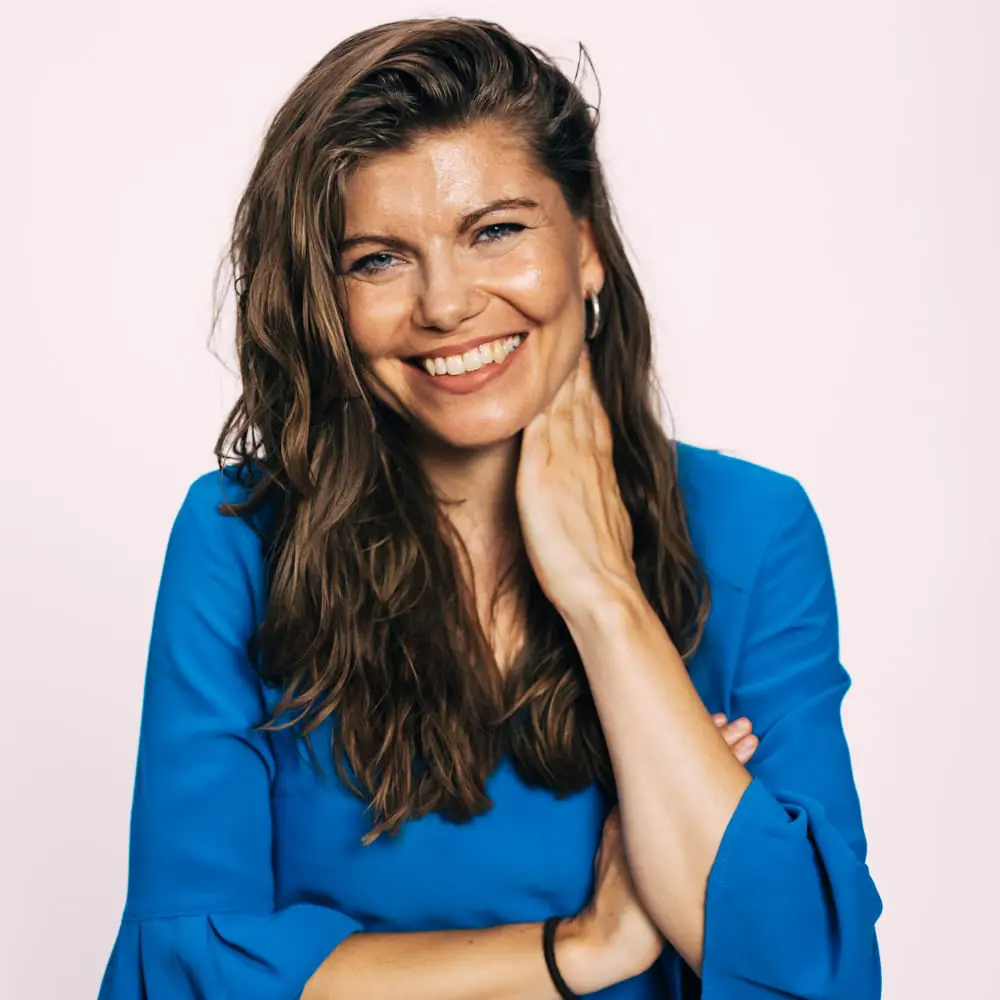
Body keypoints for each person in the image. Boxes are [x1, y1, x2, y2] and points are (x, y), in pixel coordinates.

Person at [96, 16, 882, 1000]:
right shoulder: (238, 541)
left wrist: (603, 597)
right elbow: (186, 968)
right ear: (325, 299)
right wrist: (578, 950)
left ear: (586, 245)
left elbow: (815, 975)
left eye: (495, 231)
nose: (445, 304)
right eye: (377, 259)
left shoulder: (753, 528)